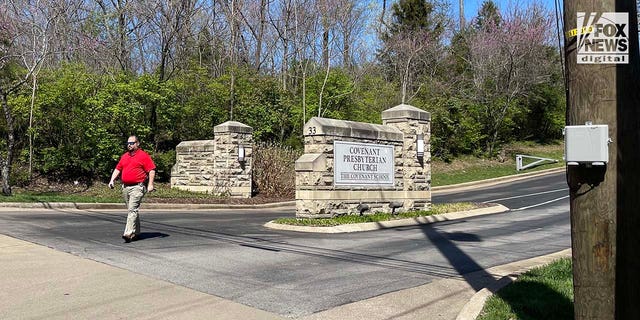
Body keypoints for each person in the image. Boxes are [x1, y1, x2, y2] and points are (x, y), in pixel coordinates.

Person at [108, 135, 156, 243]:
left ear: (137, 143)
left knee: (132, 210)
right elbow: (118, 168)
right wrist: (112, 180)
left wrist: (150, 184)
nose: (129, 145)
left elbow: (151, 170)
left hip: (137, 187)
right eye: (128, 143)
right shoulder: (125, 156)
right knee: (132, 210)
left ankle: (128, 233)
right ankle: (136, 232)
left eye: (132, 143)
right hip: (125, 187)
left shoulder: (143, 156)